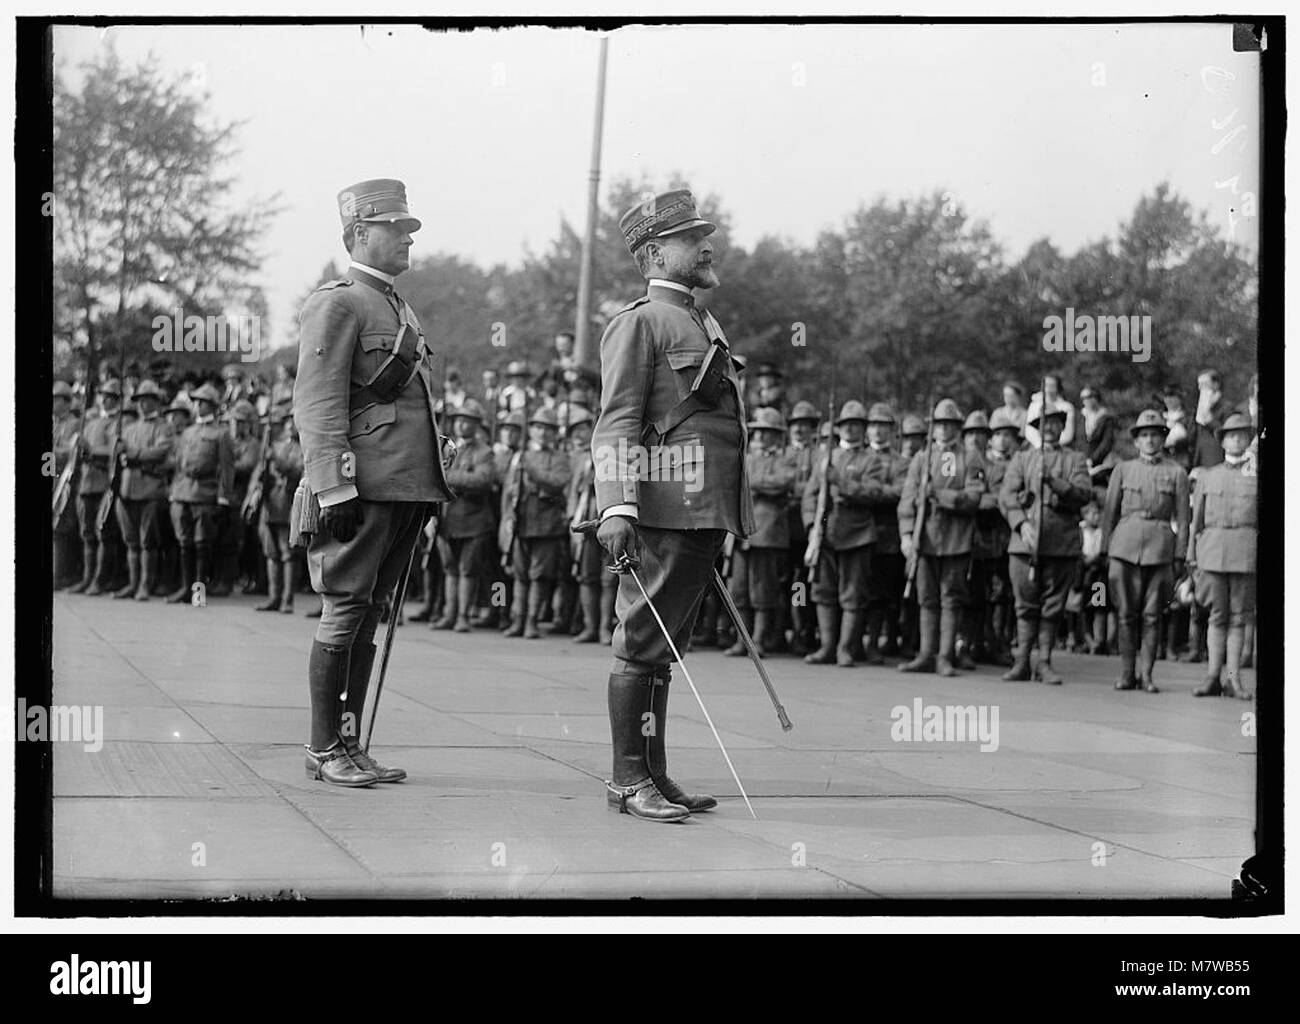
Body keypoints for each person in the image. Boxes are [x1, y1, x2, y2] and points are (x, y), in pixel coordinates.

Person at [591, 188, 753, 822]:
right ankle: (629, 780)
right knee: (641, 642)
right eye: (691, 239)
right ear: (656, 253)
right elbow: (618, 421)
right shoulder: (640, 322)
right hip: (661, 506)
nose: (706, 245)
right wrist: (617, 506)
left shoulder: (703, 323)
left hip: (701, 507)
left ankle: (653, 773)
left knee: (664, 648)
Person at [293, 178, 454, 786]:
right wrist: (332, 485)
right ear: (360, 234)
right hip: (359, 487)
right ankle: (322, 747)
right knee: (345, 610)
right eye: (396, 228)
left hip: (403, 486)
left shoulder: (398, 308)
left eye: (409, 229)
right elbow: (318, 401)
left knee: (370, 613)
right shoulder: (338, 302)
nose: (407, 238)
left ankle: (349, 743)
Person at [999, 403, 1092, 684]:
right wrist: (1021, 523)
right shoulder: (1022, 458)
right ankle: (1022, 661)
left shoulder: (1074, 459)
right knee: (1025, 604)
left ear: (1063, 427)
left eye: (1054, 422)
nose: (1049, 428)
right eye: (1043, 423)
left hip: (1060, 540)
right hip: (1024, 543)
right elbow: (1007, 496)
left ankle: (1044, 662)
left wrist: (1053, 482)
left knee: (1053, 606)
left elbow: (1083, 494)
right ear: (1036, 429)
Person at [1101, 409, 1190, 693]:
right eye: (1144, 436)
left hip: (1161, 548)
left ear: (1163, 439)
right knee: (1126, 613)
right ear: (1136, 441)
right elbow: (1109, 514)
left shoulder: (1176, 472)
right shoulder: (1122, 470)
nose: (1150, 440)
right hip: (1124, 547)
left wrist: (1180, 555)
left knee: (1153, 615)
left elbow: (1184, 520)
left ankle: (1147, 674)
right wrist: (1105, 550)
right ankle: (1127, 673)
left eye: (1155, 435)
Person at [897, 399, 986, 676]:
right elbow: (907, 499)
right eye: (940, 424)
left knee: (951, 597)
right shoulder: (922, 458)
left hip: (956, 538)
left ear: (958, 428)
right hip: (926, 537)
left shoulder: (970, 457)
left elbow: (974, 497)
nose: (944, 430)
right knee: (926, 598)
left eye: (950, 425)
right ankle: (926, 653)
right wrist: (907, 534)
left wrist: (940, 495)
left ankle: (945, 656)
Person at [801, 400, 876, 667]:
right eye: (846, 425)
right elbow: (810, 497)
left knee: (853, 594)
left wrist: (840, 481)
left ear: (863, 429)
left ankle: (845, 649)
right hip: (826, 533)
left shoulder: (871, 459)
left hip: (857, 535)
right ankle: (827, 647)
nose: (850, 430)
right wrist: (812, 527)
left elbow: (873, 492)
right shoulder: (826, 457)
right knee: (823, 591)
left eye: (856, 425)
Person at [1189, 411, 1257, 699]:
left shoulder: (1257, 477)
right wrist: (1191, 554)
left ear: (1248, 440)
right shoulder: (1208, 476)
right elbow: (1197, 520)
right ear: (1223, 442)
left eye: (1242, 435)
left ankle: (1233, 679)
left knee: (1239, 618)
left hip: (1245, 552)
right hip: (1213, 551)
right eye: (1231, 435)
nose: (1236, 439)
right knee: (1217, 616)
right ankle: (1212, 677)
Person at [727, 407, 795, 657]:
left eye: (769, 432)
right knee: (739, 590)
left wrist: (751, 483)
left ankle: (758, 640)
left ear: (778, 436)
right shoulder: (747, 457)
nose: (763, 436)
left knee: (763, 591)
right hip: (742, 532)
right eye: (760, 431)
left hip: (767, 533)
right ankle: (741, 640)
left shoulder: (785, 458)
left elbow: (783, 482)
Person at [500, 406, 570, 639]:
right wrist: (508, 517)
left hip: (546, 524)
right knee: (519, 575)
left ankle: (532, 621)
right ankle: (516, 619)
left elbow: (557, 483)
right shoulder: (520, 456)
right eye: (538, 428)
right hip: (522, 520)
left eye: (547, 429)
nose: (542, 433)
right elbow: (509, 491)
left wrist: (532, 470)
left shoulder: (558, 457)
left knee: (538, 576)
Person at [167, 383, 235, 603]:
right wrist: (174, 492)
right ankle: (186, 589)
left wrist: (223, 498)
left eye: (202, 402)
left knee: (202, 544)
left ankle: (198, 592)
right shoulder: (187, 432)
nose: (197, 405)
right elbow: (178, 464)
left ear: (213, 406)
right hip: (183, 491)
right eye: (195, 401)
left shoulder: (221, 434)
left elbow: (226, 469)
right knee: (184, 543)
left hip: (205, 493)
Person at [434, 399, 498, 632]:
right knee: (449, 569)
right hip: (448, 518)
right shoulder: (447, 447)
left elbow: (482, 480)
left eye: (468, 421)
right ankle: (449, 614)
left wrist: (449, 477)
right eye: (459, 420)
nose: (462, 425)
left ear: (477, 425)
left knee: (468, 570)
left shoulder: (485, 451)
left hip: (474, 520)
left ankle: (464, 616)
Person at [112, 380, 174, 601]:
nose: (143, 404)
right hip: (127, 487)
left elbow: (159, 452)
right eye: (140, 400)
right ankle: (132, 583)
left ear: (156, 402)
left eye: (147, 400)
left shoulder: (164, 427)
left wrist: (132, 453)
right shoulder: (129, 428)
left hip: (150, 488)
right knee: (131, 542)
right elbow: (121, 454)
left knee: (148, 542)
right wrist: (122, 452)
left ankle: (145, 586)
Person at [861, 403, 908, 664]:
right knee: (859, 591)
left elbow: (899, 492)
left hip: (887, 536)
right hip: (857, 534)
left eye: (883, 426)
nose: (878, 431)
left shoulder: (900, 462)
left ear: (892, 431)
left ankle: (882, 642)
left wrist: (868, 491)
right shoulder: (859, 457)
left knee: (885, 592)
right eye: (874, 426)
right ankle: (858, 641)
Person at [71, 378, 125, 596]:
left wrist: (90, 449)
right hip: (87, 482)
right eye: (104, 396)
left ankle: (99, 580)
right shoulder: (92, 422)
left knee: (102, 533)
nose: (107, 400)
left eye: (112, 397)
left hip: (105, 483)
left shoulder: (119, 423)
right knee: (87, 533)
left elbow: (113, 450)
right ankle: (87, 578)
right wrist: (79, 447)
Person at [254, 408, 303, 613]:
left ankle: (287, 600)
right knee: (271, 553)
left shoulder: (304, 447)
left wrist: (275, 459)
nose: (290, 424)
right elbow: (260, 473)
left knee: (288, 553)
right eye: (288, 421)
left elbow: (295, 470)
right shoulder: (275, 445)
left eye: (294, 420)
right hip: (270, 503)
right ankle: (274, 597)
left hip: (288, 504)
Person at [783, 400, 821, 655]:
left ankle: (802, 630)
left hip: (806, 530)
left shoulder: (819, 455)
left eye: (805, 425)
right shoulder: (783, 453)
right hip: (782, 528)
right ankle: (779, 631)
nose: (800, 430)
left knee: (802, 583)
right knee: (781, 582)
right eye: (796, 425)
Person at [52, 380, 82, 589]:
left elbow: (70, 453)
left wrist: (53, 453)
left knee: (63, 528)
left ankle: (62, 574)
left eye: (57, 400)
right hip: (51, 478)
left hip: (67, 481)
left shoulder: (74, 424)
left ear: (66, 402)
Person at [1079, 386, 1118, 496]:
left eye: (1089, 397)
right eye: (1083, 398)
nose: (1086, 401)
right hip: (1084, 463)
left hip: (1103, 464)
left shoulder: (1106, 418)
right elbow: (1080, 440)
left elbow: (1107, 443)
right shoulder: (1082, 417)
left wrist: (1093, 460)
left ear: (1096, 398)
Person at [1024, 373, 1077, 449]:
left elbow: (1068, 432)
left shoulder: (1067, 407)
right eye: (1047, 386)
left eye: (1052, 386)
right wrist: (1039, 444)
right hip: (1037, 446)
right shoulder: (1034, 406)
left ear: (1058, 388)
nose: (1049, 389)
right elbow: (1029, 429)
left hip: (1061, 447)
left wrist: (1054, 444)